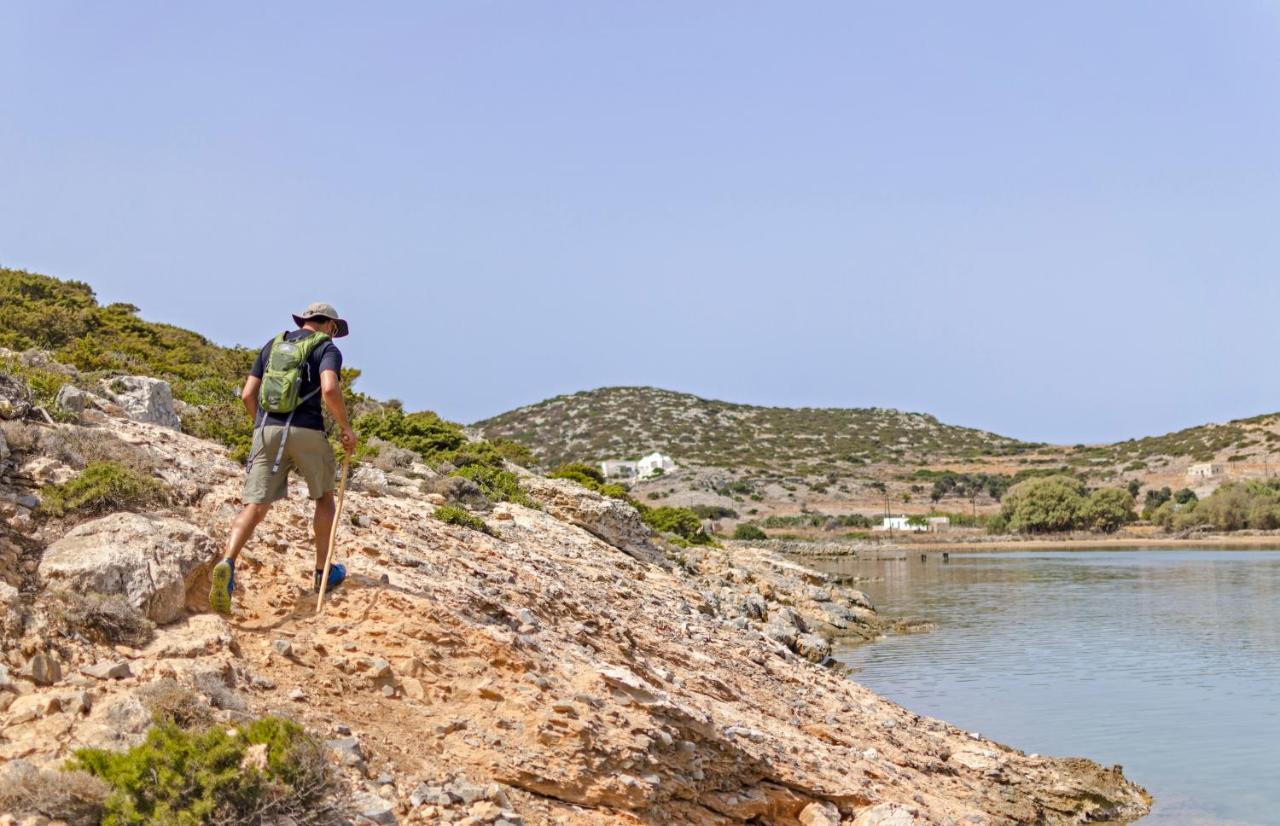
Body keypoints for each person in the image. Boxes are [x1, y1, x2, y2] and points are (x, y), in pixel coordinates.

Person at [209, 302, 358, 615]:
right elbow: (329, 389)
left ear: (303, 320)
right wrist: (345, 427)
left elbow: (248, 394)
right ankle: (322, 573)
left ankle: (228, 561)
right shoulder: (326, 348)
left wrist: (263, 427)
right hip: (306, 431)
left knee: (255, 504)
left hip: (267, 430)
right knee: (324, 498)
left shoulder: (273, 344)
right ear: (330, 325)